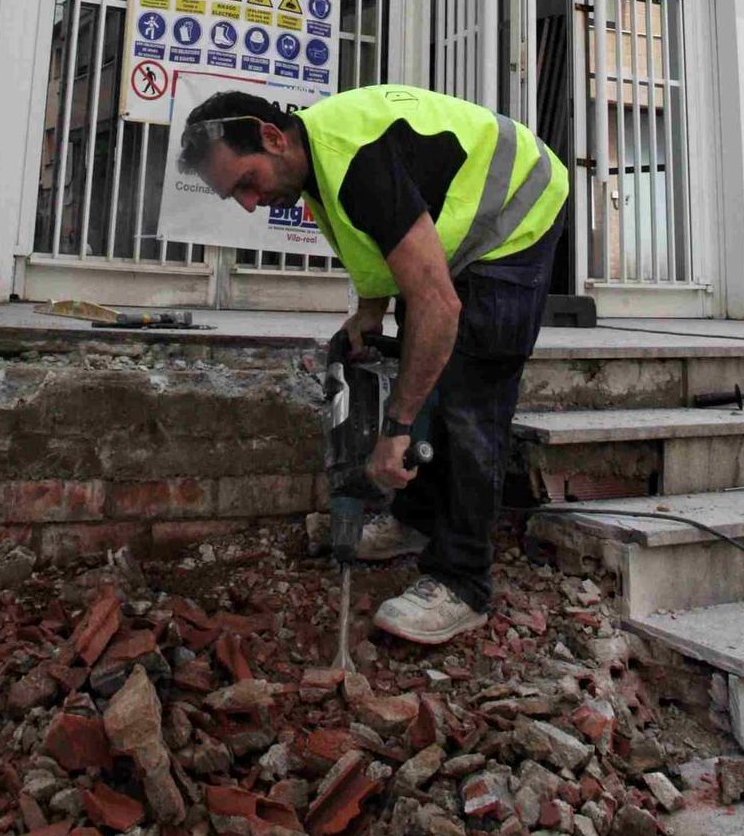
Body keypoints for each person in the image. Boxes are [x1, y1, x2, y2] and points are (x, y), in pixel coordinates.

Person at [178, 83, 568, 645]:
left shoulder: (355, 162)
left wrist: (398, 429)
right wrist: (370, 310)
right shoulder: (314, 165)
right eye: (232, 197)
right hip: (464, 231)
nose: (247, 203)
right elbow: (378, 242)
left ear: (270, 138)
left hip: (519, 211)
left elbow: (438, 303)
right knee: (426, 355)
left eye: (245, 182)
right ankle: (416, 521)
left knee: (468, 394)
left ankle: (463, 583)